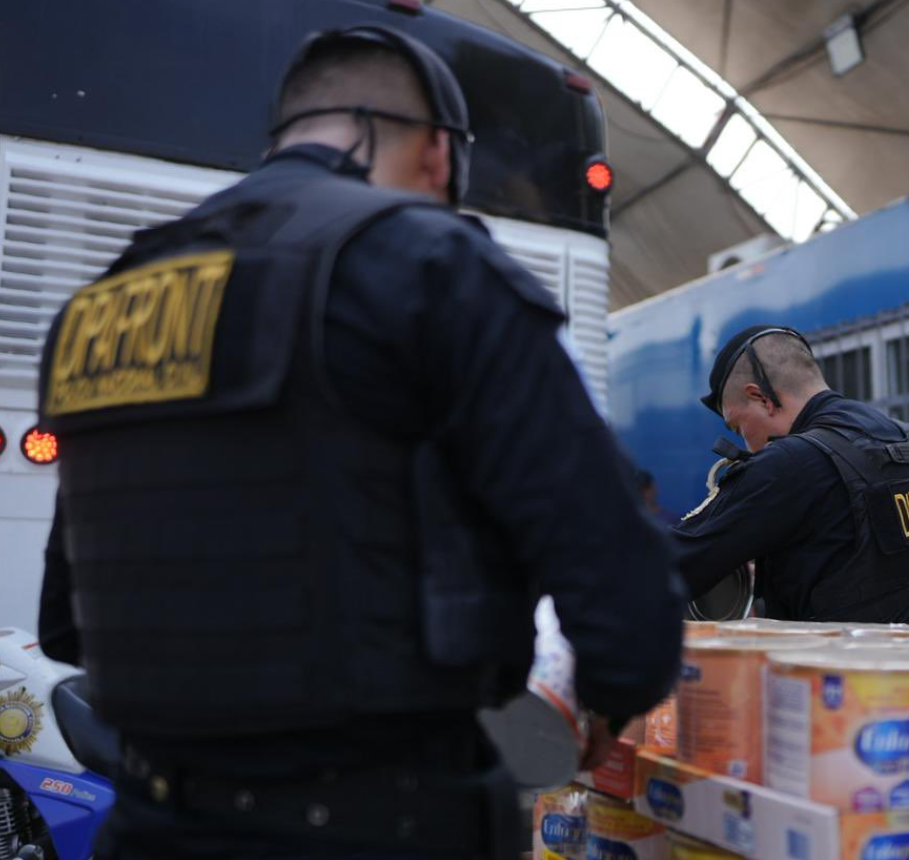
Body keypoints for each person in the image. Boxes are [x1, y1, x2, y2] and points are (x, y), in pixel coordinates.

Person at [37, 25, 684, 860]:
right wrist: (606, 698)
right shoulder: (433, 263)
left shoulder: (102, 302)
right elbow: (621, 585)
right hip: (383, 825)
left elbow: (67, 626)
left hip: (149, 825)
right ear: (437, 153)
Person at [671, 325, 909, 633]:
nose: (745, 443)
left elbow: (669, 565)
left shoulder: (789, 463)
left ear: (761, 398)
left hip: (854, 669)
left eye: (738, 427)